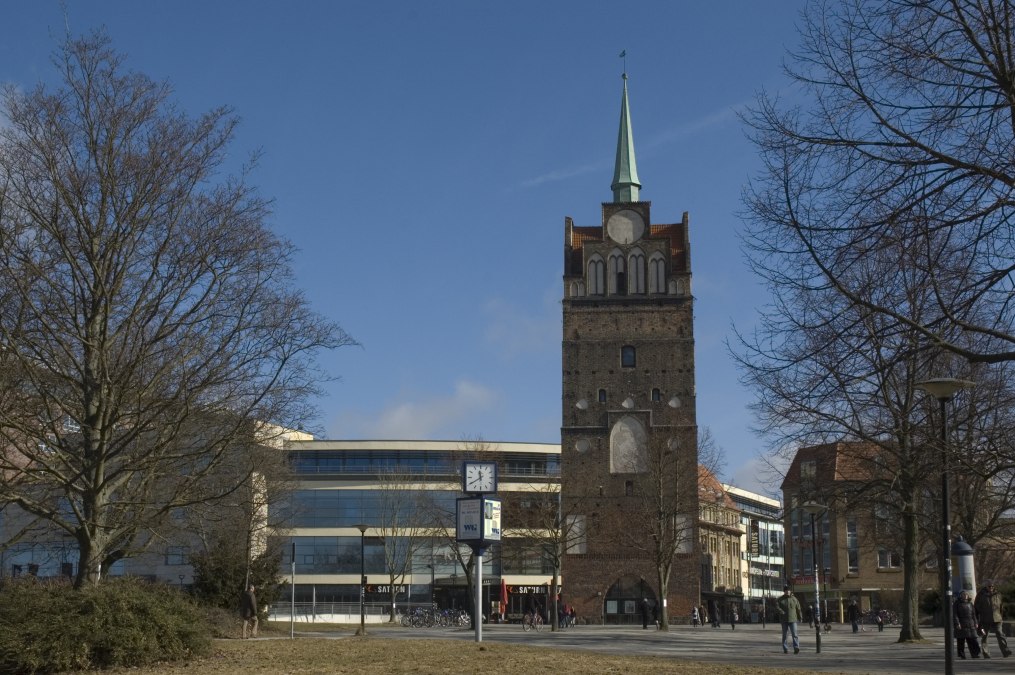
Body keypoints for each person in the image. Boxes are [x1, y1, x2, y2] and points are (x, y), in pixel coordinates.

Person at [974, 581, 1012, 658]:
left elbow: (1001, 606)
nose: (991, 588)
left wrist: (1001, 616)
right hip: (985, 619)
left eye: (992, 586)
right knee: (984, 636)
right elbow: (976, 607)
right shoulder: (981, 595)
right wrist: (977, 619)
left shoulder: (998, 594)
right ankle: (986, 653)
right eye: (989, 586)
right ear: (986, 587)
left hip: (997, 619)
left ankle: (1005, 651)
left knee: (1000, 634)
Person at [954, 591, 981, 659]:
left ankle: (974, 654)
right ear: (961, 595)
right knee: (961, 641)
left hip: (970, 624)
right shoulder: (957, 603)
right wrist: (957, 623)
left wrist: (976, 622)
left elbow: (973, 614)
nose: (965, 596)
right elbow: (955, 614)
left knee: (972, 640)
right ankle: (961, 655)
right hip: (961, 624)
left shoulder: (970, 603)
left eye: (966, 594)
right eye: (963, 594)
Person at [776, 585, 802, 654]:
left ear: (790, 591)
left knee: (794, 634)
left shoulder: (794, 599)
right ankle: (785, 648)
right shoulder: (780, 599)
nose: (787, 591)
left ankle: (796, 648)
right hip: (784, 620)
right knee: (785, 635)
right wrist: (781, 611)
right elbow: (777, 607)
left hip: (793, 620)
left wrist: (800, 617)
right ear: (784, 591)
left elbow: (798, 609)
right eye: (786, 590)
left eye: (788, 590)